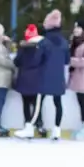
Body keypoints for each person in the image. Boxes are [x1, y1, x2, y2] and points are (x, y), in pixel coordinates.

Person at [29, 9, 71, 140]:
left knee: (39, 102)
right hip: (58, 77)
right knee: (58, 103)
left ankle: (31, 127)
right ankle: (57, 129)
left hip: (44, 77)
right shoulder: (64, 42)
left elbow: (36, 60)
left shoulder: (44, 42)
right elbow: (67, 60)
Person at [13, 24, 47, 138]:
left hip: (24, 79)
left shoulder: (22, 47)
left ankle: (28, 125)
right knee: (37, 104)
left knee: (26, 103)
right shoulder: (41, 47)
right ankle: (39, 124)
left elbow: (17, 62)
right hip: (37, 79)